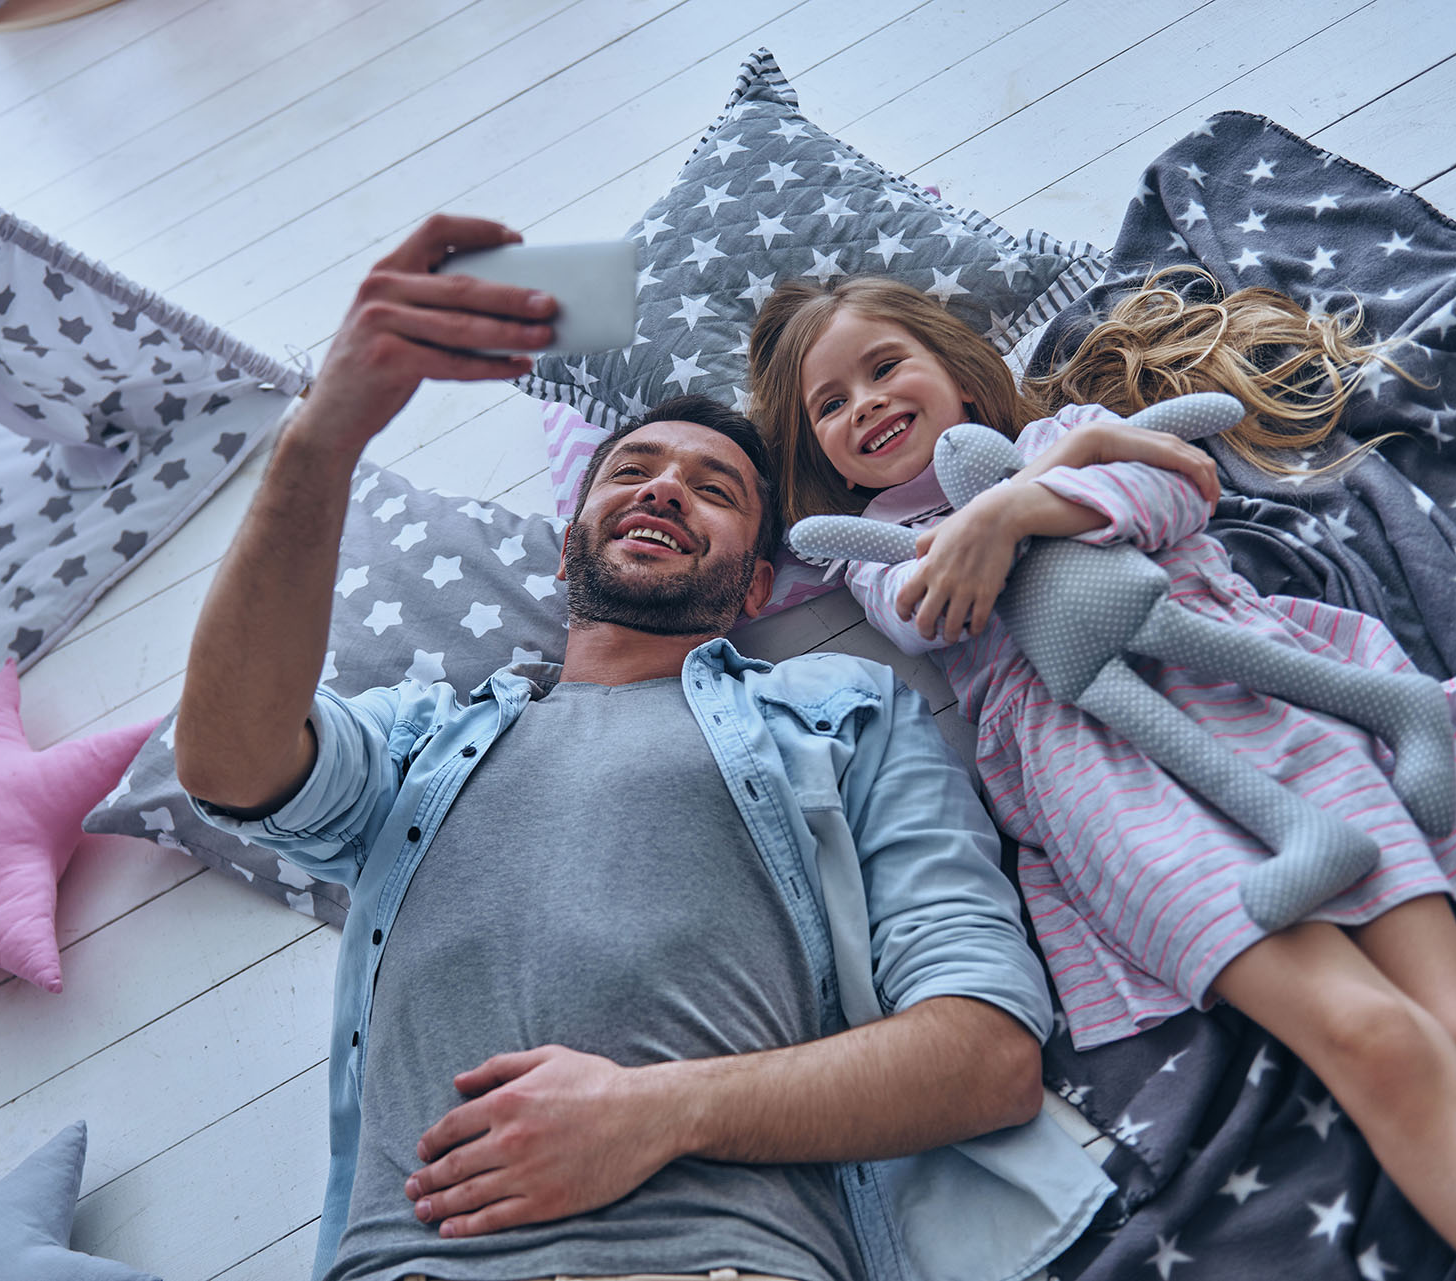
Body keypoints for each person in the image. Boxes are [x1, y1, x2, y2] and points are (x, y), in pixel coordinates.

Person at [169, 215, 1129, 1281]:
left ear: (758, 585)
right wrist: (325, 431)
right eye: (631, 471)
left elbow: (983, 1055)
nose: (664, 488)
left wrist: (653, 1113)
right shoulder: (422, 742)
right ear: (574, 537)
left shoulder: (843, 715)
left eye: (715, 491)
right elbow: (228, 761)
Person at [745, 270, 1456, 1281]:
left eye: (883, 367)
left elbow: (1176, 487)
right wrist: (1008, 516)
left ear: (953, 368)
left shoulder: (1066, 430)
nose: (864, 402)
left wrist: (1048, 477)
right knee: (1375, 1043)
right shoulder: (879, 552)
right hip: (1098, 778)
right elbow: (930, 605)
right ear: (816, 449)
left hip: (1257, 702)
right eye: (830, 403)